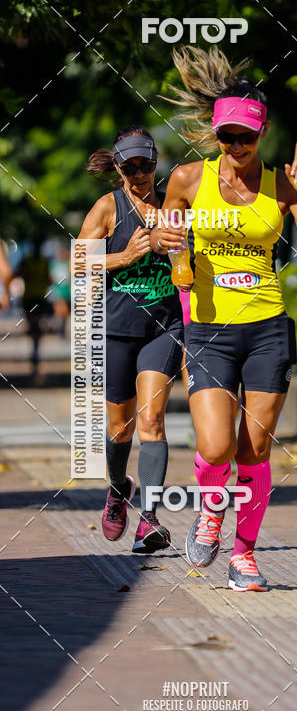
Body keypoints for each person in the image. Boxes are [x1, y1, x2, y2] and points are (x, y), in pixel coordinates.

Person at [152, 46, 297, 591]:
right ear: (215, 136)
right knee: (215, 447)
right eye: (227, 137)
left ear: (263, 135)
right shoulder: (187, 179)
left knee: (255, 449)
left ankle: (245, 555)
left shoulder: (283, 185)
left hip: (267, 328)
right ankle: (211, 511)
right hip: (208, 328)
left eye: (246, 138)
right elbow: (169, 238)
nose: (237, 147)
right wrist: (169, 244)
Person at [78, 126, 184, 553]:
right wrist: (125, 256)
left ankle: (150, 518)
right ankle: (118, 488)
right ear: (118, 167)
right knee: (120, 429)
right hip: (117, 331)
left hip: (163, 328)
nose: (140, 174)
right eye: (130, 167)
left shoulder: (173, 205)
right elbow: (79, 263)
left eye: (147, 165)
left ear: (156, 163)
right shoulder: (108, 207)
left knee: (152, 421)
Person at [14, 237, 52, 379]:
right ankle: (35, 347)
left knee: (34, 324)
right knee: (34, 324)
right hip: (32, 298)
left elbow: (16, 275)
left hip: (35, 298)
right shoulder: (35, 261)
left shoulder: (32, 261)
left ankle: (35, 350)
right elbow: (49, 280)